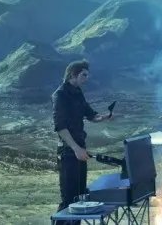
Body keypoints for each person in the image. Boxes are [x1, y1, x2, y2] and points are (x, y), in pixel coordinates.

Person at [52, 59, 114, 217]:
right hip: (68, 151)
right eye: (84, 75)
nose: (87, 78)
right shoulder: (60, 95)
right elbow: (60, 127)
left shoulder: (78, 92)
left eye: (87, 75)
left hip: (80, 148)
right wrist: (76, 149)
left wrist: (104, 117)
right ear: (72, 75)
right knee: (69, 200)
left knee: (80, 198)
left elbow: (91, 114)